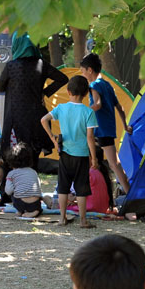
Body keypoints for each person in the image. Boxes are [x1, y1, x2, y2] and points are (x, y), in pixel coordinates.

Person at [0, 33, 68, 176]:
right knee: (33, 157)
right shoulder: (41, 64)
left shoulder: (11, 66)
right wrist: (45, 92)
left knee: (12, 157)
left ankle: (10, 192)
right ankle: (31, 191)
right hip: (36, 118)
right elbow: (63, 78)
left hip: (15, 119)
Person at [41, 75, 99, 228]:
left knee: (63, 186)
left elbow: (43, 120)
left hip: (64, 153)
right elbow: (90, 137)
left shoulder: (61, 108)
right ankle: (83, 221)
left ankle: (62, 218)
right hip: (81, 155)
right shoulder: (88, 112)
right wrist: (94, 158)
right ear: (86, 93)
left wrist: (53, 139)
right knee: (81, 188)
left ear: (68, 91)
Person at [79, 53, 132, 195]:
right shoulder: (107, 85)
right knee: (113, 163)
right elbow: (120, 107)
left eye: (83, 71)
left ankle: (129, 194)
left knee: (113, 164)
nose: (82, 74)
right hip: (108, 128)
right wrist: (125, 125)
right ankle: (120, 191)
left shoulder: (94, 85)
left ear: (90, 70)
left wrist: (81, 111)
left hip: (99, 129)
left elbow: (97, 104)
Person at [4, 142, 43, 218]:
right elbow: (38, 187)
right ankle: (35, 211)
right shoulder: (33, 171)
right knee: (35, 197)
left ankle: (20, 210)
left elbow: (8, 191)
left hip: (20, 203)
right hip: (35, 203)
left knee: (13, 193)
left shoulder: (11, 174)